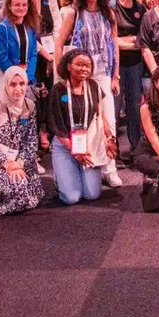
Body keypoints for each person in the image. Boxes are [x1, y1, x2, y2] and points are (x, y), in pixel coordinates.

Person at [54, 0, 122, 188]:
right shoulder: (74, 13)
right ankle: (79, 165)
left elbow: (115, 45)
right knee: (82, 121)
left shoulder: (108, 13)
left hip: (102, 74)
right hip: (78, 76)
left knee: (108, 121)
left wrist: (115, 75)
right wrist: (60, 72)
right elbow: (59, 43)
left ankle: (110, 169)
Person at [47, 49, 117, 205]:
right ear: (68, 66)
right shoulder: (58, 90)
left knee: (92, 194)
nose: (84, 69)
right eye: (79, 64)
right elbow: (56, 126)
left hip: (88, 144)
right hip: (64, 145)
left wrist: (110, 138)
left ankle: (72, 175)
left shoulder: (93, 86)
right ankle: (61, 178)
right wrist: (76, 151)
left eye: (88, 65)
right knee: (72, 198)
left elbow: (100, 116)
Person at [0, 66, 44, 215]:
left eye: (22, 84)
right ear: (5, 84)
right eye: (13, 84)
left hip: (19, 159)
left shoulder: (29, 106)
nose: (18, 89)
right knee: (19, 190)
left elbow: (31, 140)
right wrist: (7, 164)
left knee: (26, 193)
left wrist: (19, 162)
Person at [109, 0, 146, 161]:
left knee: (134, 107)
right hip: (115, 66)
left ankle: (134, 149)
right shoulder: (110, 7)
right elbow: (110, 40)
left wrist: (126, 41)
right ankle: (112, 150)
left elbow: (142, 40)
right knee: (114, 108)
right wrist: (127, 42)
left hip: (135, 66)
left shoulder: (141, 8)